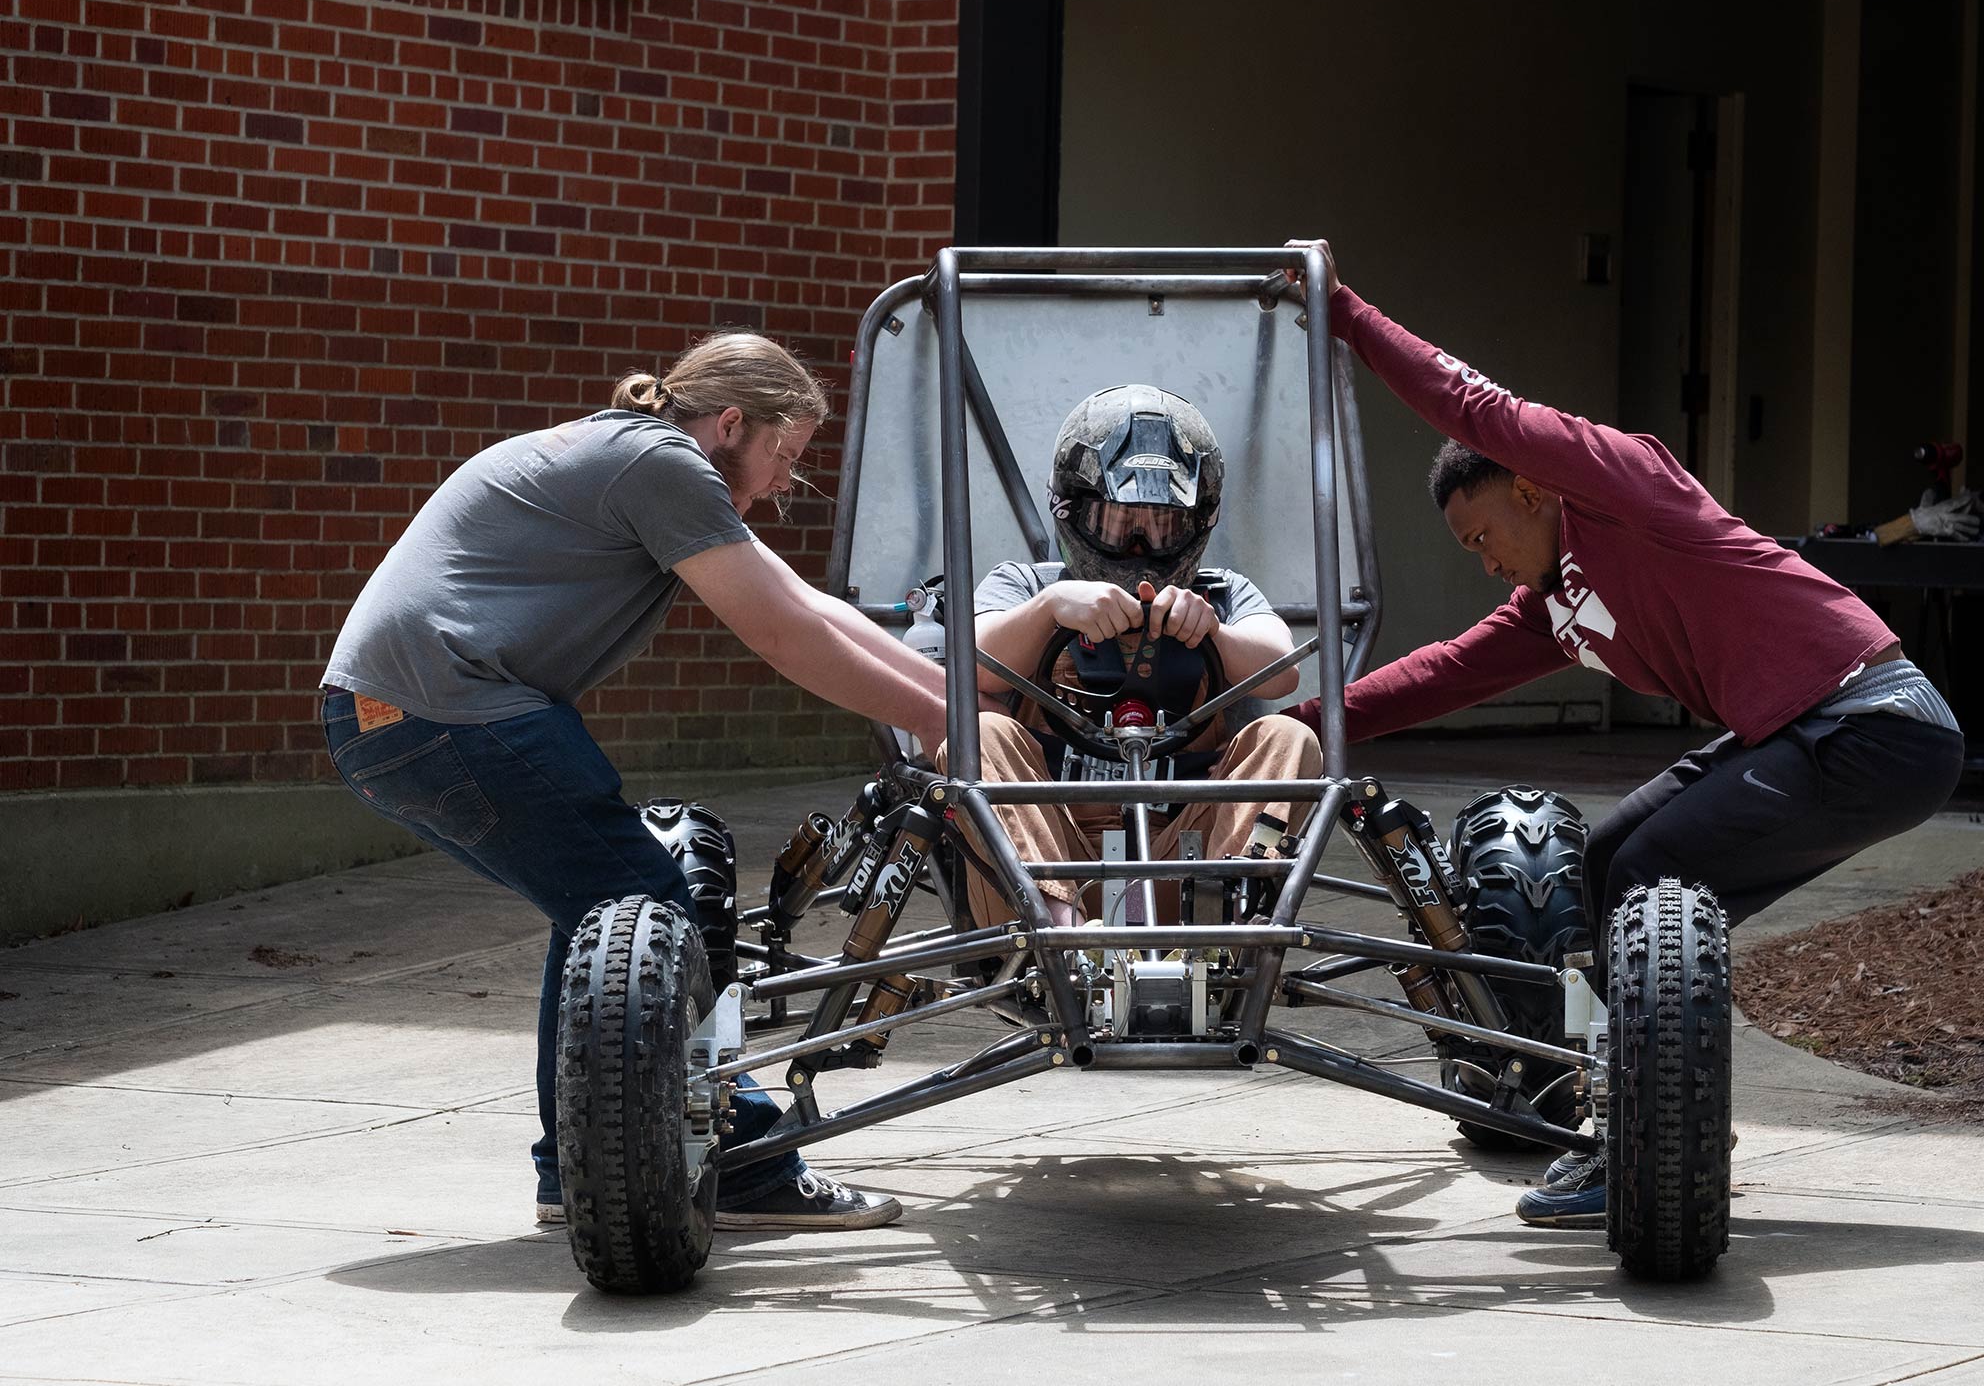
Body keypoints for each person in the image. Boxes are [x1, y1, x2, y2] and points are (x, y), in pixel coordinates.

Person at [1279, 241, 1964, 1227]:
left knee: (1658, 877)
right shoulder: (1554, 604)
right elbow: (1434, 676)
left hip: (1873, 719)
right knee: (1603, 863)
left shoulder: (1623, 488)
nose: (1483, 564)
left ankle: (1655, 1141)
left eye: (1482, 539)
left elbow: (1475, 407)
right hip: (1811, 729)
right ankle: (1642, 1122)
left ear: (1528, 489)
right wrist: (1287, 723)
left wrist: (1342, 312)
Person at [321, 332, 947, 1230]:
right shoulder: (664, 464)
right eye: (784, 455)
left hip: (389, 717)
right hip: (442, 711)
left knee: (601, 919)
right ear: (731, 423)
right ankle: (739, 1165)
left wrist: (962, 702)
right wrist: (937, 725)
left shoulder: (635, 455)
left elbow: (811, 604)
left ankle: (576, 1171)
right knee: (658, 916)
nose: (782, 484)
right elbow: (781, 634)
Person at [953, 383, 1320, 927]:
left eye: (1162, 525)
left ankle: (1229, 922)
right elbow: (969, 663)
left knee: (1290, 739)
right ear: (1072, 512)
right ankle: (1060, 934)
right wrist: (1052, 608)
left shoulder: (1221, 593)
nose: (1140, 547)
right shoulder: (1027, 586)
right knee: (975, 730)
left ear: (1198, 522)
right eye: (1119, 524)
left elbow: (1281, 671)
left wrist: (1211, 630)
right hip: (1046, 864)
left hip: (1188, 865)